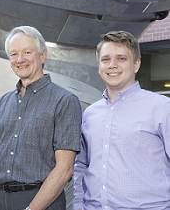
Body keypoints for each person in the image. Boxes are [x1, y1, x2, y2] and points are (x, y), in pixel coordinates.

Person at [0, 25, 82, 210]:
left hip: (42, 202)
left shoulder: (65, 101)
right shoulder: (0, 104)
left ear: (43, 55)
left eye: (27, 52)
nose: (20, 60)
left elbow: (64, 169)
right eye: (14, 54)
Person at [73, 31, 170, 210]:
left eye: (121, 59)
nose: (112, 65)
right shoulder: (90, 113)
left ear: (136, 64)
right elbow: (81, 165)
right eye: (105, 59)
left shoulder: (162, 108)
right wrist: (78, 204)